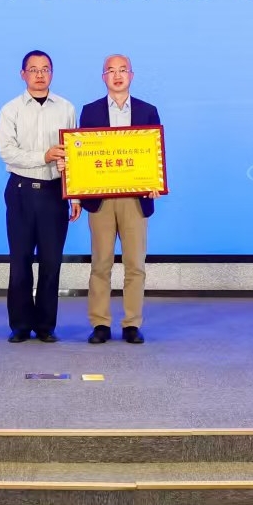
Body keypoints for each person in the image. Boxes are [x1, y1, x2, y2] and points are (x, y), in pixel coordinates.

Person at [0, 49, 79, 343]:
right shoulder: (10, 110)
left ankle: (45, 325)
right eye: (33, 69)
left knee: (51, 262)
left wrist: (75, 196)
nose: (40, 75)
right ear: (23, 74)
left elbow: (76, 154)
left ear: (52, 73)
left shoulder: (66, 108)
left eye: (45, 69)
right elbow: (7, 152)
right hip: (20, 191)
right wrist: (43, 156)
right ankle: (20, 324)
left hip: (55, 193)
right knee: (20, 261)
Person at [78, 55, 158, 345]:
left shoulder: (148, 111)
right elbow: (83, 156)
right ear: (104, 77)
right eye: (111, 71)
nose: (117, 75)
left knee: (135, 264)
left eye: (123, 70)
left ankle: (131, 324)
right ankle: (100, 323)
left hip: (135, 199)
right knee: (101, 264)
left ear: (131, 75)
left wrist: (155, 181)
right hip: (101, 200)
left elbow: (154, 153)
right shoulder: (90, 112)